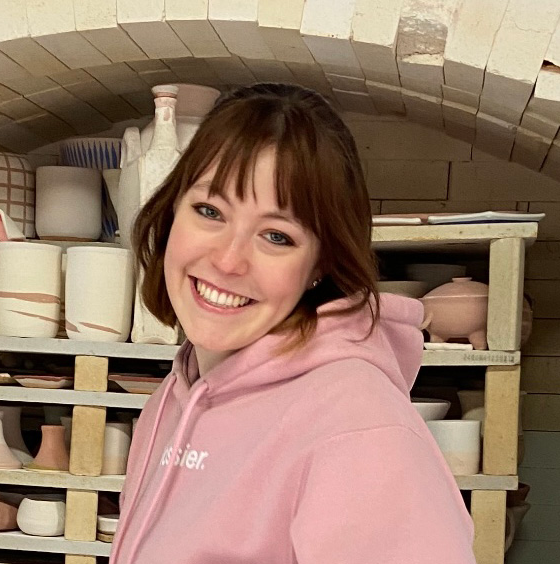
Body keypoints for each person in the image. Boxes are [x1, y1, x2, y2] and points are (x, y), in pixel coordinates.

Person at [110, 83, 476, 564]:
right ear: (172, 211)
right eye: (209, 210)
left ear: (320, 265)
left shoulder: (360, 430)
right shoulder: (172, 400)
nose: (228, 259)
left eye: (277, 236)